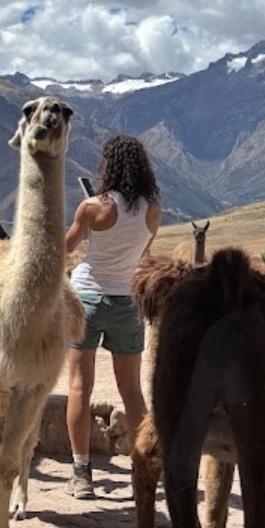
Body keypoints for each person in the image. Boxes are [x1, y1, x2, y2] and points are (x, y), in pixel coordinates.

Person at [65, 134, 162, 499]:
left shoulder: (92, 207)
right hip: (128, 302)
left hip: (87, 298)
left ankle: (81, 474)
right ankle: (145, 470)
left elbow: (68, 247)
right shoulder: (153, 209)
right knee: (132, 392)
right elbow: (142, 252)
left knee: (78, 387)